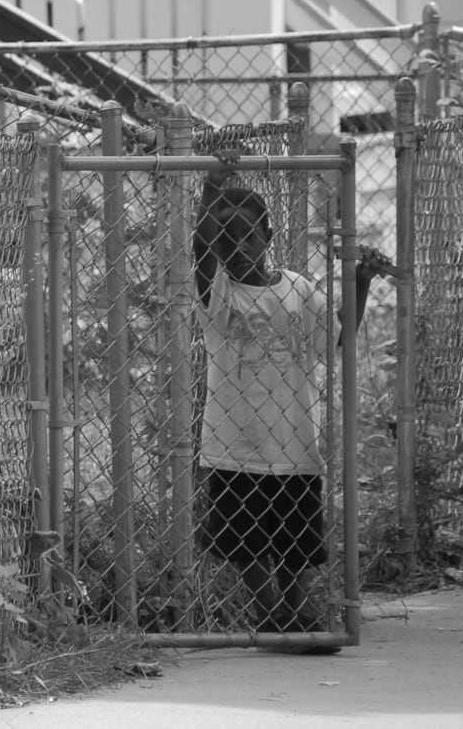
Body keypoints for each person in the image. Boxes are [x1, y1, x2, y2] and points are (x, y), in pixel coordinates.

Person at [193, 148, 395, 653]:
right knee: (244, 539)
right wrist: (212, 184)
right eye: (225, 239)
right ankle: (274, 615)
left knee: (295, 538)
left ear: (268, 235)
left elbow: (338, 341)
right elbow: (197, 253)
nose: (237, 247)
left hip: (294, 440)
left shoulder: (299, 290)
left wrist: (361, 281)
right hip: (235, 443)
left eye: (247, 235)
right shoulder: (220, 296)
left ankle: (296, 609)